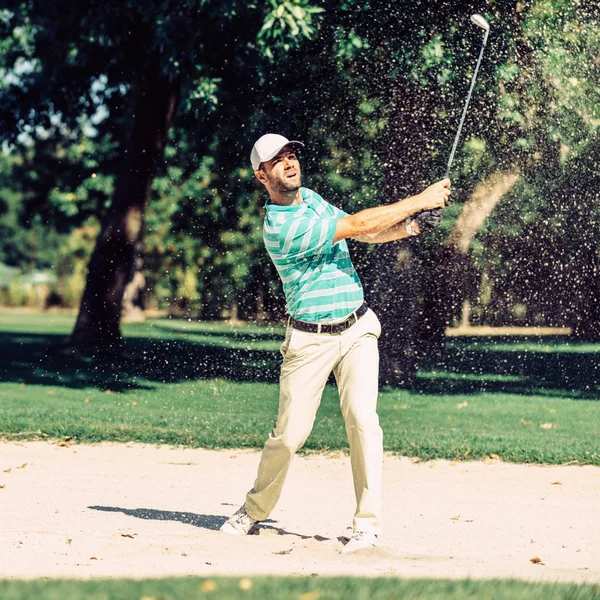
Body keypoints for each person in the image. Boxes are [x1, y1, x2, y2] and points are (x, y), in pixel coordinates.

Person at [220, 133, 450, 553]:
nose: (289, 163)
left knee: (364, 419)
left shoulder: (311, 199)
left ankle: (367, 525)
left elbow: (363, 233)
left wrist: (411, 226)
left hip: (357, 327)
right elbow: (358, 223)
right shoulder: (281, 227)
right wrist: (419, 199)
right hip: (309, 341)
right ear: (261, 176)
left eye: (291, 155)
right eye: (278, 160)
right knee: (289, 436)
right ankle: (254, 509)